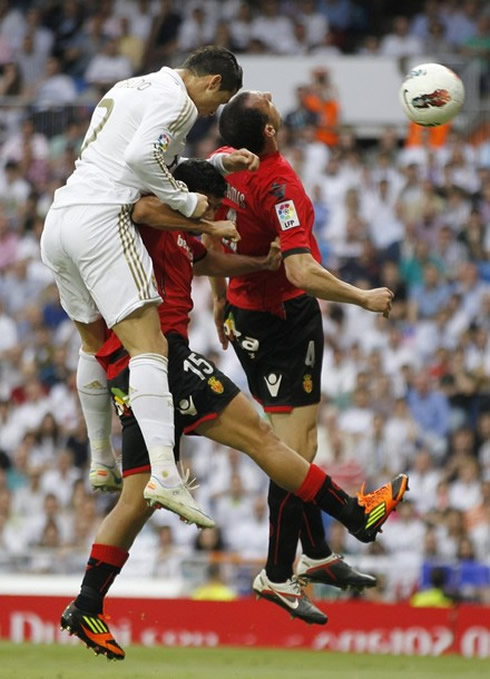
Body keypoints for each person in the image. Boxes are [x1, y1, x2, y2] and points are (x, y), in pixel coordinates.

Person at [60, 160, 408, 660]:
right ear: (190, 197)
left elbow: (207, 261)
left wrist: (258, 264)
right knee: (265, 439)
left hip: (139, 373)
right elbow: (147, 206)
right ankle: (356, 516)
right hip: (163, 358)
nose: (222, 221)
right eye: (215, 208)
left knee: (136, 498)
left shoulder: (183, 236)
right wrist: (201, 216)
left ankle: (87, 602)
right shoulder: (152, 218)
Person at [40, 46, 258, 528]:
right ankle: (164, 471)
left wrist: (218, 168)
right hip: (102, 221)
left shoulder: (130, 87)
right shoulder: (178, 100)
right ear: (211, 83)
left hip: (59, 221)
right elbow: (144, 160)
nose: (206, 114)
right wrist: (188, 206)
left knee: (92, 343)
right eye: (212, 105)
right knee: (150, 346)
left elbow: (145, 156)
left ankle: (101, 458)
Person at [210, 90, 396, 616]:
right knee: (295, 451)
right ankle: (276, 573)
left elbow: (218, 238)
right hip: (282, 321)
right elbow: (298, 269)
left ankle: (314, 555)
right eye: (264, 101)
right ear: (268, 130)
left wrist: (219, 301)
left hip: (246, 316)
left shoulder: (224, 165)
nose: (270, 97)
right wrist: (362, 297)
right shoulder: (276, 181)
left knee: (292, 446)